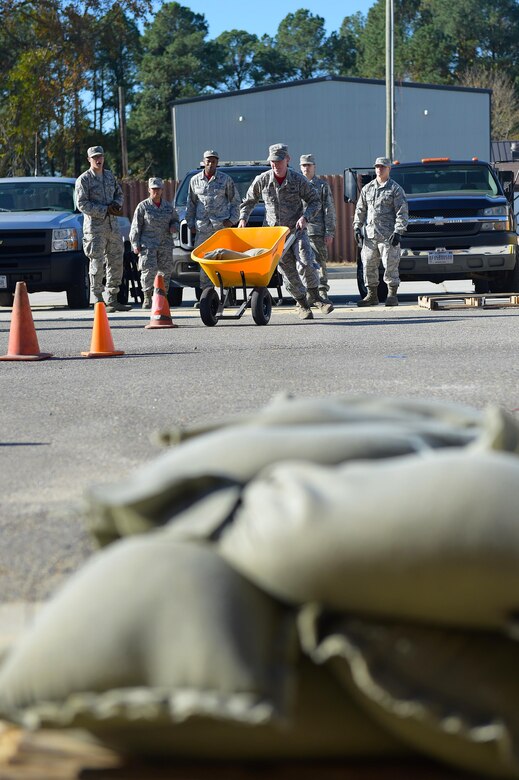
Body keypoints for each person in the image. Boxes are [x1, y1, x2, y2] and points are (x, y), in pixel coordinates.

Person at [238, 143, 333, 320]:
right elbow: (248, 201)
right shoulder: (263, 179)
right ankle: (303, 305)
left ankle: (315, 296)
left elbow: (315, 201)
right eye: (272, 161)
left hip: (296, 231)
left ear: (287, 160)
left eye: (279, 161)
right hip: (275, 236)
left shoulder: (297, 180)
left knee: (306, 261)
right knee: (287, 271)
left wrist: (305, 217)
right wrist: (243, 218)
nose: (275, 165)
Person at [75, 145, 130, 312]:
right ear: (89, 160)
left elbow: (119, 194)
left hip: (113, 227)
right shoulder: (84, 180)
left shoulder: (109, 176)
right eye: (95, 157)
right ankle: (98, 299)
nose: (98, 160)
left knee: (115, 261)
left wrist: (116, 205)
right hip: (95, 229)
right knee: (97, 263)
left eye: (100, 157)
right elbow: (82, 204)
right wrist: (104, 210)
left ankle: (113, 298)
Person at [353, 156, 408, 307]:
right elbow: (360, 209)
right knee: (368, 265)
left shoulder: (395, 189)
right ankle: (371, 296)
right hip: (370, 237)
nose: (379, 169)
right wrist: (357, 227)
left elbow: (402, 212)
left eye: (382, 167)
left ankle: (392, 295)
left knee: (390, 266)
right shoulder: (367, 188)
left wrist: (398, 231)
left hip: (388, 236)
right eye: (377, 167)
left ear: (389, 169)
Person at [186, 150, 241, 292]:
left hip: (220, 228)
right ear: (203, 162)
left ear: (217, 162)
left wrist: (231, 220)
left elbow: (235, 202)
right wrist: (191, 224)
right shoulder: (194, 180)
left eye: (214, 161)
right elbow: (190, 204)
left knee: (223, 260)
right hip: (202, 229)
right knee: (204, 261)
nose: (211, 164)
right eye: (208, 161)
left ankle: (226, 295)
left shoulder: (225, 179)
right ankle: (206, 294)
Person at [130, 177, 179, 309]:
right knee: (148, 271)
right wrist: (135, 244)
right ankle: (147, 297)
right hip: (148, 245)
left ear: (162, 190)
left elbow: (176, 220)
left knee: (165, 272)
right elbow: (136, 226)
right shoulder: (143, 207)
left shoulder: (168, 207)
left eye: (158, 189)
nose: (156, 192)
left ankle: (163, 296)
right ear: (149, 190)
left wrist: (174, 226)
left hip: (165, 244)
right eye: (154, 189)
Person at [299, 153, 336, 305]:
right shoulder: (296, 184)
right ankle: (306, 294)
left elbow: (329, 209)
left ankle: (322, 292)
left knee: (319, 262)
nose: (306, 168)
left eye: (309, 165)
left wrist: (329, 232)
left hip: (317, 230)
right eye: (303, 165)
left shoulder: (321, 186)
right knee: (302, 263)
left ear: (314, 167)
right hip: (299, 231)